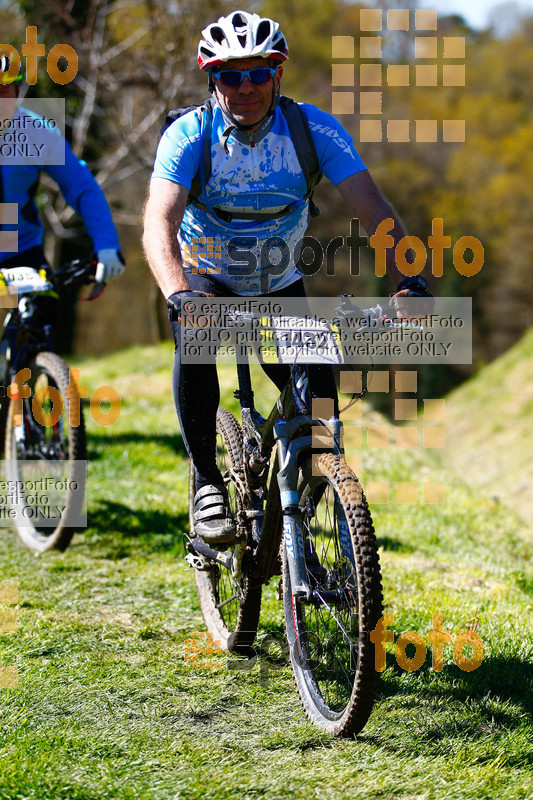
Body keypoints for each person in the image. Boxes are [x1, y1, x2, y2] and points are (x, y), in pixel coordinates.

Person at [142, 10, 432, 545]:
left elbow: (373, 210)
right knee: (198, 343)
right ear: (213, 80)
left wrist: (408, 281)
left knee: (318, 398)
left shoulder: (313, 130)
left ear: (278, 74)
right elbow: (158, 221)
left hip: (278, 282)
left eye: (259, 72)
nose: (246, 87)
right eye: (231, 75)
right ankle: (208, 481)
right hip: (206, 273)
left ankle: (304, 504)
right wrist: (178, 292)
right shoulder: (189, 135)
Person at [0, 56, 124, 283]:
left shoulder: (37, 133)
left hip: (19, 251)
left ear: (17, 93)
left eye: (3, 91)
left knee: (43, 308)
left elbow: (81, 185)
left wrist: (106, 243)